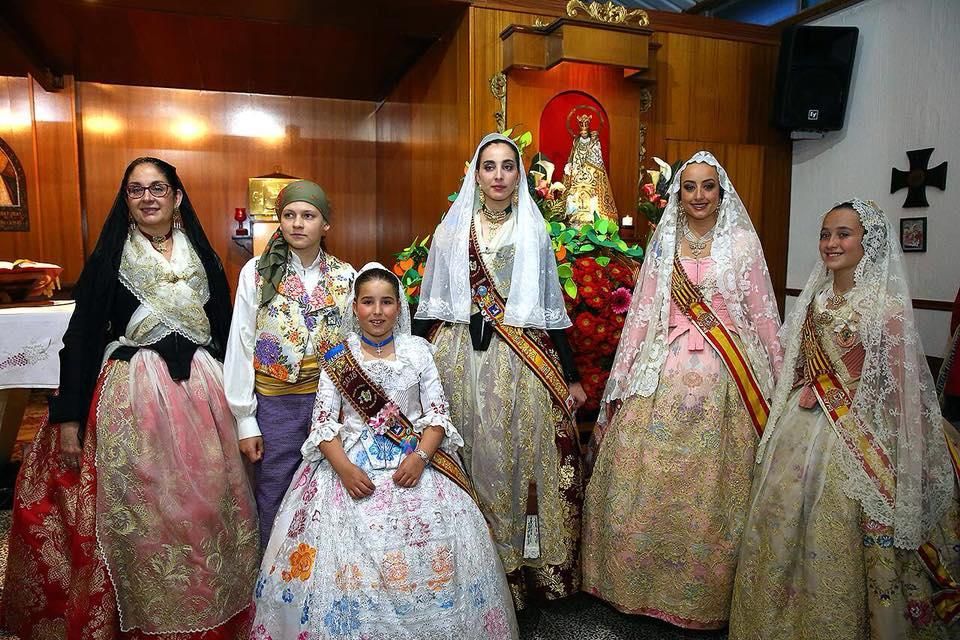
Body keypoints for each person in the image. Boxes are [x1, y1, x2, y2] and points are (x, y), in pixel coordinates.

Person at [2, 157, 258, 639]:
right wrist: (70, 417)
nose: (148, 197)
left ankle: (210, 608)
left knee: (208, 508)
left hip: (204, 392)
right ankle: (144, 614)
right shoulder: (110, 257)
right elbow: (80, 336)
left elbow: (225, 331)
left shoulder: (201, 255)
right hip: (135, 395)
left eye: (158, 188)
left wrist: (246, 407)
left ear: (177, 197)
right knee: (149, 510)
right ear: (126, 200)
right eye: (136, 190)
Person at [729, 199, 960, 639]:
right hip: (803, 428)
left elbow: (901, 391)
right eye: (825, 234)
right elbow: (795, 367)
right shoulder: (814, 300)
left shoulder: (885, 307)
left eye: (843, 234)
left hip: (858, 433)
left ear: (866, 243)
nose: (831, 243)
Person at [251, 263, 518, 640]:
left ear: (399, 307)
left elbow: (438, 415)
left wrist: (420, 457)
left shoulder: (418, 351)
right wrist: (343, 470)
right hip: (349, 467)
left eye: (386, 302)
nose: (377, 311)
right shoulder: (338, 357)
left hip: (413, 462)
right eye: (368, 302)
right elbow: (323, 425)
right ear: (355, 307)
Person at [581, 151, 783, 629]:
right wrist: (626, 375)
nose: (698, 196)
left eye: (707, 186)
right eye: (689, 187)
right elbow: (644, 312)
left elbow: (762, 316)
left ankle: (704, 595)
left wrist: (777, 379)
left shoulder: (740, 244)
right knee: (644, 466)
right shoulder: (665, 240)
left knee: (715, 481)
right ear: (678, 193)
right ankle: (633, 582)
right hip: (664, 366)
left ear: (721, 192)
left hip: (726, 373)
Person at [413, 133, 586, 609]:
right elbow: (430, 305)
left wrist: (570, 375)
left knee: (519, 465)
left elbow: (551, 311)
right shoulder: (451, 232)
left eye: (508, 167)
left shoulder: (533, 231)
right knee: (464, 458)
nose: (498, 176)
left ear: (519, 175)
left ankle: (522, 566)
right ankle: (464, 566)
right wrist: (406, 364)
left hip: (518, 363)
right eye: (489, 167)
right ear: (475, 173)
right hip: (457, 360)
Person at [225, 179, 355, 544]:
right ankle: (272, 575)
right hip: (276, 402)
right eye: (289, 215)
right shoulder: (257, 272)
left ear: (325, 224)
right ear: (280, 221)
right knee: (276, 485)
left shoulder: (346, 276)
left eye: (308, 215)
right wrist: (245, 420)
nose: (298, 223)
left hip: (330, 403)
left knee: (327, 487)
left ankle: (319, 572)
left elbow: (353, 345)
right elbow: (241, 341)